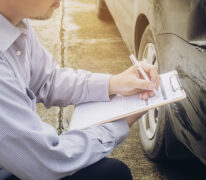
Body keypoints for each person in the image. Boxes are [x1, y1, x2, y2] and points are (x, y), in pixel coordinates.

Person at [0, 0, 160, 179]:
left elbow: (48, 80)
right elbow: (48, 161)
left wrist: (114, 84)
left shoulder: (16, 23)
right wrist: (117, 124)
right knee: (113, 175)